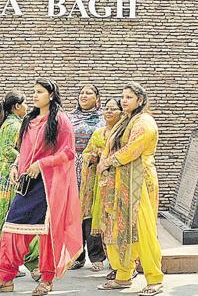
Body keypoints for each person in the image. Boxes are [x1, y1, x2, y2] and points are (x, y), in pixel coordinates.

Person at [0, 79, 82, 296]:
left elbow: (68, 153)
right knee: (10, 230)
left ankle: (47, 279)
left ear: (51, 95)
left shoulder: (60, 120)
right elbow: (23, 151)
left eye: (39, 92)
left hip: (47, 186)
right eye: (33, 92)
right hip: (26, 185)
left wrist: (41, 164)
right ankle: (5, 278)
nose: (35, 96)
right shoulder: (29, 120)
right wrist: (17, 166)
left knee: (46, 235)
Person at [97, 82, 164, 295]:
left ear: (140, 100)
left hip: (140, 181)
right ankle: (123, 275)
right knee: (121, 227)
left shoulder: (144, 121)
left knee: (143, 228)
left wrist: (108, 162)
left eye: (129, 97)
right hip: (120, 181)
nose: (124, 100)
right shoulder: (124, 121)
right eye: (123, 96)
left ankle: (154, 278)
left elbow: (133, 149)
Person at [0, 91, 39, 278]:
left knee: (6, 219)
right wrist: (27, 160)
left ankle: (8, 264)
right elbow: (9, 150)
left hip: (4, 176)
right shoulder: (13, 125)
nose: (27, 107)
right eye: (25, 103)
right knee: (13, 220)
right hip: (9, 177)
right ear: (17, 106)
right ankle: (20, 262)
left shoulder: (9, 123)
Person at [68, 84, 106, 270]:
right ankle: (77, 255)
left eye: (89, 93)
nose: (84, 95)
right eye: (81, 92)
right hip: (71, 171)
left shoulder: (103, 119)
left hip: (93, 171)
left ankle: (96, 255)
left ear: (97, 98)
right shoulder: (69, 118)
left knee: (92, 212)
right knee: (74, 213)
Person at [81, 96, 120, 273]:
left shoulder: (123, 133)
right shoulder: (98, 133)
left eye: (113, 109)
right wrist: (93, 156)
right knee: (94, 220)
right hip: (98, 184)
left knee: (114, 221)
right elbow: (86, 153)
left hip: (118, 183)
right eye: (107, 108)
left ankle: (117, 260)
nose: (109, 112)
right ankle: (97, 257)